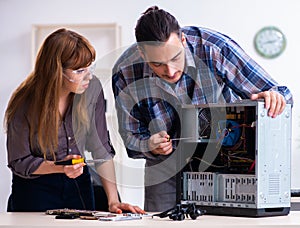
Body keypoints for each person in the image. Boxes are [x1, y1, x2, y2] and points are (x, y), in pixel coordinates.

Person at [112, 6, 293, 212]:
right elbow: (131, 138)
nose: (170, 71)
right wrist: (149, 145)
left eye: (175, 58)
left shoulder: (214, 48)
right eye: (158, 64)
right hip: (164, 166)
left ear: (183, 41)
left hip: (224, 157)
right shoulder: (125, 72)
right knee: (159, 222)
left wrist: (273, 98)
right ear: (142, 53)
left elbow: (281, 94)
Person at [4, 28, 145, 214]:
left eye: (90, 68)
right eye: (79, 71)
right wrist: (60, 167)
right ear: (56, 72)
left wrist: (113, 201)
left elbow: (101, 149)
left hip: (79, 183)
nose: (89, 76)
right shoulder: (25, 102)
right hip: (35, 188)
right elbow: (19, 161)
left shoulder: (91, 90)